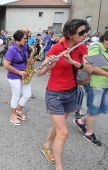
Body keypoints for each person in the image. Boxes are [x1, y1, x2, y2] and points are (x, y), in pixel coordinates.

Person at [37, 19, 93, 169]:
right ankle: (59, 167)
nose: (85, 35)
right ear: (70, 34)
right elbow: (39, 72)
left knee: (58, 126)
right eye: (81, 32)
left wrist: (74, 62)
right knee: (64, 132)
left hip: (71, 92)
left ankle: (46, 145)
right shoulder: (56, 48)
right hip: (55, 94)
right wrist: (49, 65)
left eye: (85, 31)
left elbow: (89, 69)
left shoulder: (82, 49)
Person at [73, 30, 108, 146]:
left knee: (103, 108)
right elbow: (91, 67)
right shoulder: (97, 47)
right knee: (93, 110)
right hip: (96, 84)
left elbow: (107, 64)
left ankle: (81, 121)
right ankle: (89, 133)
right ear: (106, 39)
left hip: (107, 84)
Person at [4, 30, 33, 125]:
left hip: (24, 74)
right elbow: (6, 65)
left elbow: (26, 58)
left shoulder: (24, 47)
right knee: (16, 96)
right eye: (25, 38)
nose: (26, 40)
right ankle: (13, 116)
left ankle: (18, 111)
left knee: (27, 94)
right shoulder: (12, 49)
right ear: (18, 38)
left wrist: (30, 61)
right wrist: (19, 72)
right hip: (14, 75)